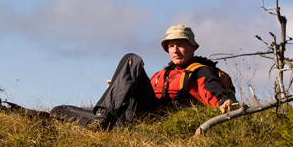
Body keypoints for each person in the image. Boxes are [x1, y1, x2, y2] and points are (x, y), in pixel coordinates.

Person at [50, 25, 237, 129]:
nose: (176, 50)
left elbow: (212, 88)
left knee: (132, 60)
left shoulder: (200, 70)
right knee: (60, 109)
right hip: (126, 115)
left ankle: (102, 119)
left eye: (181, 44)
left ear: (193, 47)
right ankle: (102, 122)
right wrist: (119, 86)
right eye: (171, 46)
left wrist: (225, 100)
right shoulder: (161, 74)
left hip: (155, 116)